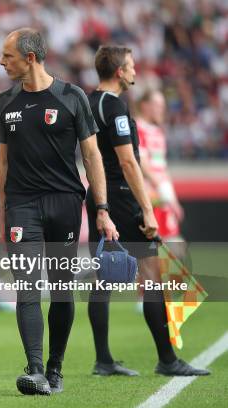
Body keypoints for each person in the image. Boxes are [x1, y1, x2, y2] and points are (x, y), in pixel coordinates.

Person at [0, 28, 118, 395]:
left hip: (65, 203)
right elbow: (2, 162)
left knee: (62, 290)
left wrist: (102, 209)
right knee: (28, 288)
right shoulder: (5, 101)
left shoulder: (71, 96)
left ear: (30, 58)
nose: (1, 62)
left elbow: (92, 155)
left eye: (8, 56)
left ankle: (55, 369)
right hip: (22, 205)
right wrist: (6, 210)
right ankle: (34, 370)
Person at [86, 45, 208, 377]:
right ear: (119, 72)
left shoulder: (86, 102)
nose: (136, 70)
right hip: (123, 199)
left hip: (97, 198)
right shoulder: (116, 107)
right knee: (152, 277)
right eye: (132, 66)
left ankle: (103, 359)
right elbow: (128, 161)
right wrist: (147, 209)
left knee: (104, 279)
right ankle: (167, 359)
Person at [136, 90, 183, 240]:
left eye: (162, 105)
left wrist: (173, 199)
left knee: (172, 245)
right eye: (156, 104)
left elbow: (162, 168)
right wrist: (165, 193)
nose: (160, 109)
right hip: (147, 198)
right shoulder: (137, 128)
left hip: (162, 197)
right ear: (144, 105)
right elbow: (143, 165)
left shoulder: (158, 132)